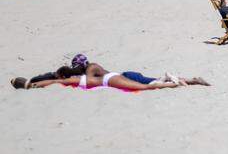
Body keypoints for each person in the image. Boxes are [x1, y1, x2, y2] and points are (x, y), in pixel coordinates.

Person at [11, 54, 208, 89]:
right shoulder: (93, 67)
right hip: (126, 74)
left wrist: (32, 84)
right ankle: (189, 80)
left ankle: (175, 80)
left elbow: (58, 79)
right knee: (152, 80)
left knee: (154, 83)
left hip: (125, 77)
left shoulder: (89, 72)